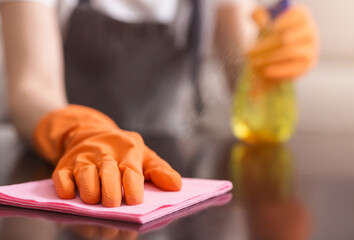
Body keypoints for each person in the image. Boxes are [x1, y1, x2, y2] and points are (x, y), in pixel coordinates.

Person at [0, 0, 317, 207]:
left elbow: (243, 76)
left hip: (162, 178)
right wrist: (80, 131)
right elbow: (33, 87)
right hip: (69, 169)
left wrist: (274, 49)